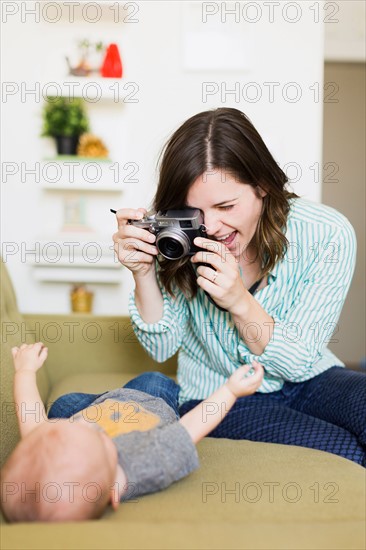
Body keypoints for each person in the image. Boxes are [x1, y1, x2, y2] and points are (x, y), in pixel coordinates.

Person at [112, 107, 366, 466]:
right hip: (220, 392)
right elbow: (161, 346)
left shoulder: (326, 233)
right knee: (345, 454)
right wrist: (142, 273)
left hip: (310, 377)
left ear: (262, 185)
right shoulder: (181, 235)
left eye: (226, 205)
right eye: (195, 211)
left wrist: (239, 302)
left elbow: (297, 363)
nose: (212, 226)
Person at [0, 342, 263, 522]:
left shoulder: (80, 449)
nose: (95, 428)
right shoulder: (144, 464)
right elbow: (191, 428)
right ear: (115, 494)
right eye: (101, 438)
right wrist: (230, 391)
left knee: (62, 406)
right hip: (147, 400)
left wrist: (25, 371)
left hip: (99, 404)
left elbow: (31, 418)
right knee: (154, 379)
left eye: (76, 427)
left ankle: (81, 410)